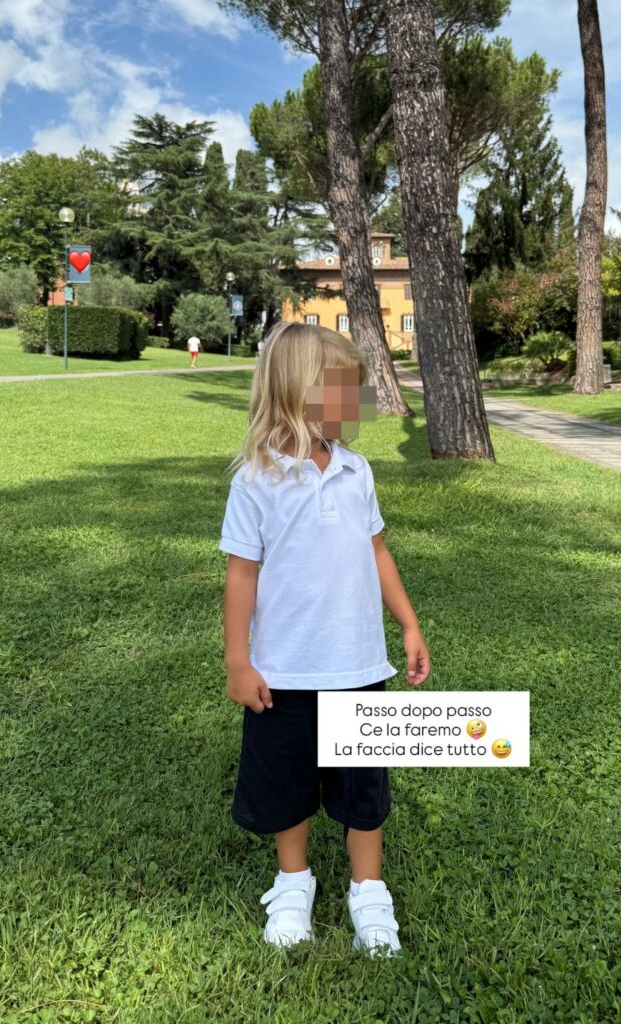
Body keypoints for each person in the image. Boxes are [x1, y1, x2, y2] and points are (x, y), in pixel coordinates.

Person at [218, 320, 430, 957]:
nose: (359, 404)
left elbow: (377, 551)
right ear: (299, 392)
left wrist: (408, 623)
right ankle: (293, 883)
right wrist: (237, 660)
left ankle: (369, 890)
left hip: (359, 668)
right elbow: (241, 574)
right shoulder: (255, 480)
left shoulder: (357, 471)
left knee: (363, 787)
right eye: (347, 391)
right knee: (287, 785)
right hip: (283, 673)